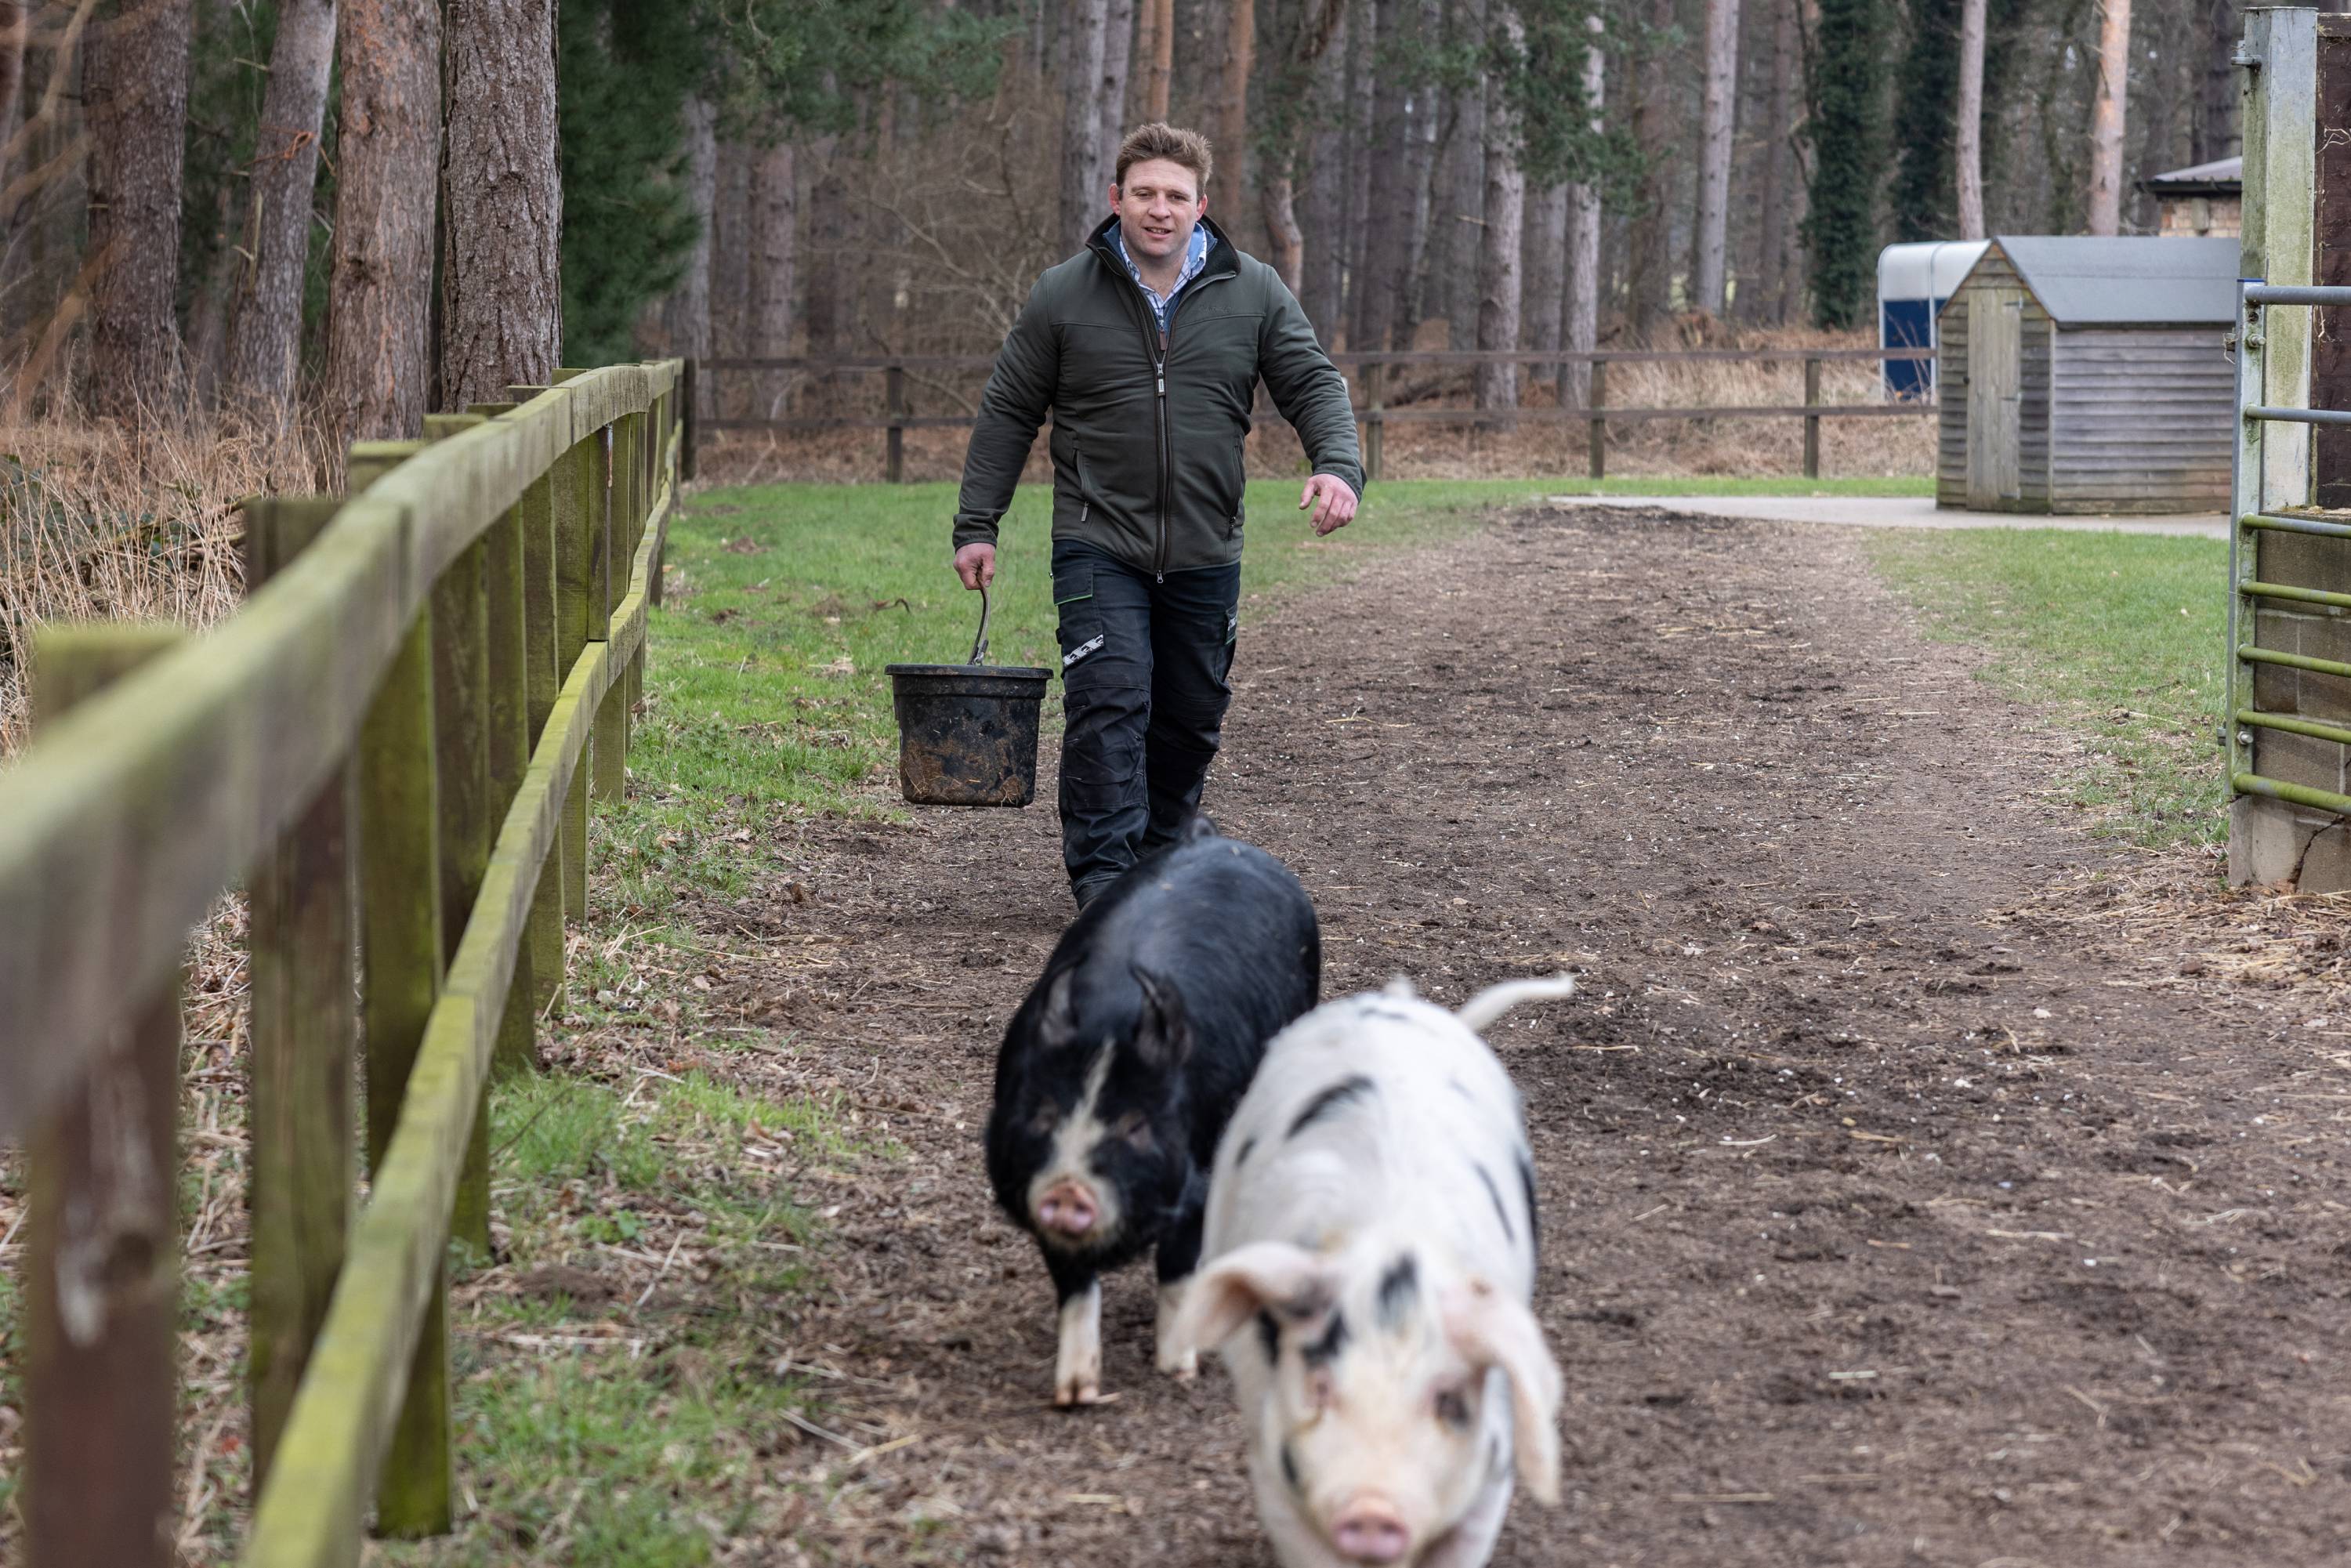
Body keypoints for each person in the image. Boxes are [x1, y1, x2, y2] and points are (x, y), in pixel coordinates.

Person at [951, 122, 1365, 909]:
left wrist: (1338, 467)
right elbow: (1008, 411)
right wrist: (978, 524)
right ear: (1116, 199)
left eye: (1177, 196)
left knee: (1189, 715)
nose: (1160, 209)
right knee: (1110, 700)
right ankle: (1106, 885)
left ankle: (1161, 863)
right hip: (1095, 539)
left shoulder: (1255, 291)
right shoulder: (1064, 294)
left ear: (1201, 206)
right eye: (1144, 193)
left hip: (1208, 546)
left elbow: (1313, 384)